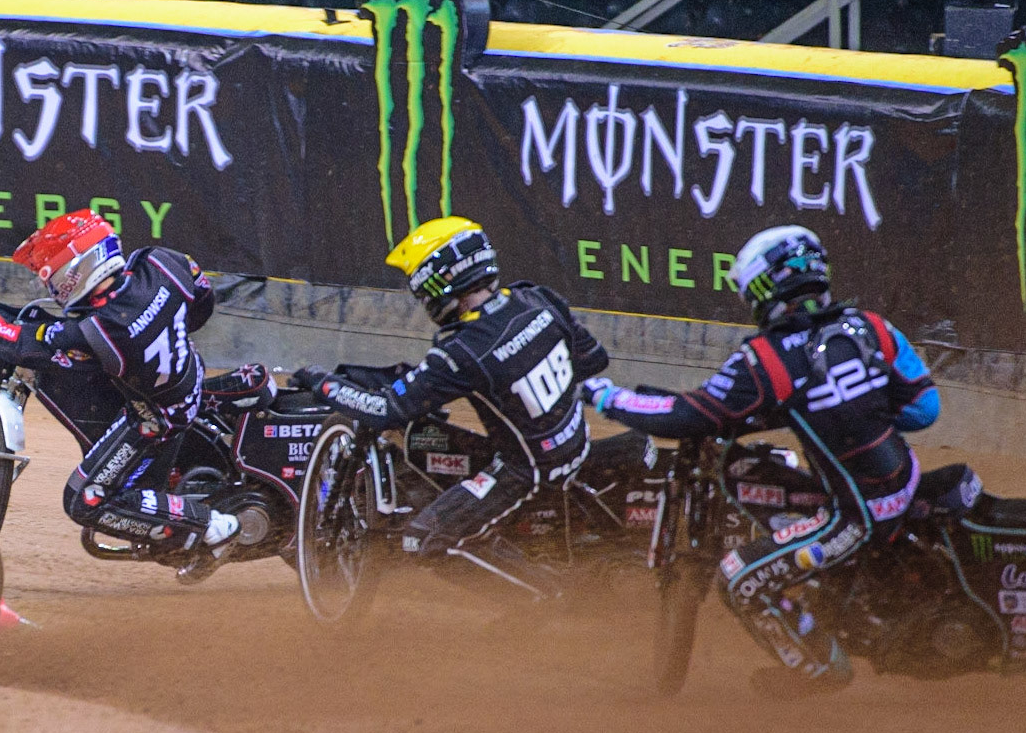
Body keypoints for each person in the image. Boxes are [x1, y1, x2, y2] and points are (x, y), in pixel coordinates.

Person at [588, 225, 940, 697]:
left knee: (738, 577)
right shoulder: (873, 327)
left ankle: (819, 669)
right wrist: (854, 408)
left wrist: (605, 396)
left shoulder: (768, 359)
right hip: (907, 482)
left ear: (762, 289)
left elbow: (691, 415)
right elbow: (924, 409)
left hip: (858, 517)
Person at [294, 216, 611, 595]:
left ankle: (545, 598)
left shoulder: (462, 351)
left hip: (526, 472)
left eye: (423, 290)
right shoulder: (537, 297)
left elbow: (386, 411)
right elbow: (593, 359)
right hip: (576, 440)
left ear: (443, 282)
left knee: (423, 541)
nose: (423, 300)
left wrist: (323, 384)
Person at [0, 209, 245, 553]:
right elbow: (202, 299)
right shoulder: (161, 263)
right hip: (189, 374)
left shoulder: (95, 330)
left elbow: (15, 342)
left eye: (50, 278)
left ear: (74, 273)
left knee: (84, 501)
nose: (48, 288)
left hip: (157, 418)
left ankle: (208, 526)